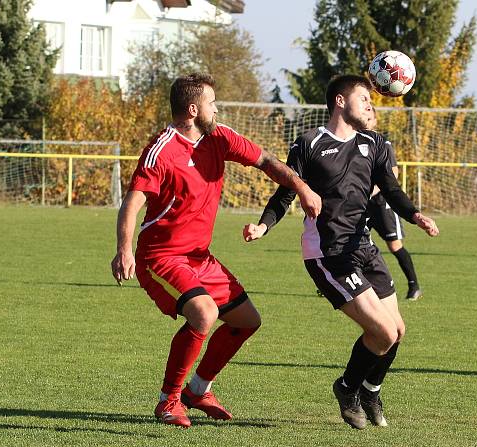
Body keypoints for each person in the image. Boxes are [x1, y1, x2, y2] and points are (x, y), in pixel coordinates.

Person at [110, 73, 321, 428]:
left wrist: (301, 187)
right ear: (193, 110)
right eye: (212, 103)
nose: (217, 109)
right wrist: (124, 249)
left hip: (199, 258)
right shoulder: (161, 150)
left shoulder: (219, 137)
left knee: (246, 321)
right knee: (204, 313)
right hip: (160, 257)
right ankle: (168, 401)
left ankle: (198, 389)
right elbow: (133, 201)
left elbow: (267, 161)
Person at [243, 75, 439, 429]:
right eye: (363, 98)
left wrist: (415, 215)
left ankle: (370, 391)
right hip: (328, 253)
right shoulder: (310, 143)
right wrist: (263, 225)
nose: (370, 104)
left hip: (364, 247)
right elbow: (285, 193)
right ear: (339, 101)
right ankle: (347, 389)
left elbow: (391, 189)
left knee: (396, 331)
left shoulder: (374, 143)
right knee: (380, 331)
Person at [363, 107, 422, 300]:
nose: (366, 120)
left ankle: (414, 285)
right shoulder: (351, 141)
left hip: (381, 204)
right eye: (364, 116)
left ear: (375, 122)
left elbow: (393, 173)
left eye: (370, 118)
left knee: (394, 246)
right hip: (360, 206)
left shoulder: (382, 143)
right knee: (347, 243)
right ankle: (341, 284)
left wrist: (371, 191)